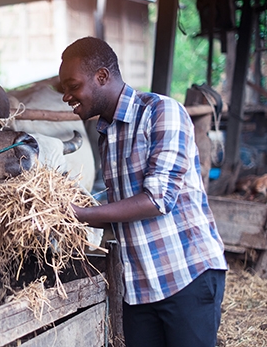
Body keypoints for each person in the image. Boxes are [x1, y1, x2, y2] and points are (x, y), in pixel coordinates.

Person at [58, 36, 227, 347]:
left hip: (185, 276)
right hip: (140, 286)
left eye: (72, 85)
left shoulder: (162, 112)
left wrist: (79, 214)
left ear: (102, 77)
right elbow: (121, 212)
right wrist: (64, 211)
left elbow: (157, 199)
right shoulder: (106, 135)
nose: (67, 96)